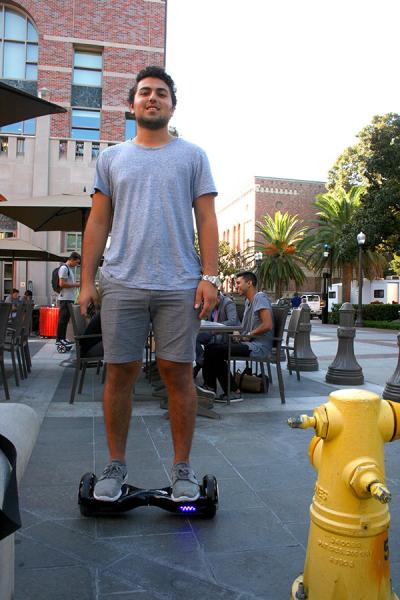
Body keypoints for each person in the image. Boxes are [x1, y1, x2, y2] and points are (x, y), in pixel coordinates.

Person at [79, 66, 219, 503]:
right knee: (119, 372)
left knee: (178, 374)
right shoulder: (112, 157)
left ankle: (182, 471)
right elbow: (98, 220)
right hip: (121, 281)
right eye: (144, 93)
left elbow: (207, 219)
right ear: (132, 104)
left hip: (179, 282)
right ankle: (115, 466)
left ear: (172, 104)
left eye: (161, 93)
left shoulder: (193, 155)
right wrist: (86, 281)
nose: (152, 98)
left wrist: (209, 277)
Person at [201, 271, 274, 402]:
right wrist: (238, 333)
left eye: (239, 283)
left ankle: (233, 391)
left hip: (258, 347)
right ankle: (209, 388)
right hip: (248, 343)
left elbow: (267, 325)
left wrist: (248, 336)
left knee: (216, 351)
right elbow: (246, 328)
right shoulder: (248, 301)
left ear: (249, 283)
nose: (236, 286)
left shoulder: (260, 298)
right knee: (211, 347)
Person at [194, 290, 240, 377]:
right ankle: (201, 361)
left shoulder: (228, 303)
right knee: (193, 337)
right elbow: (208, 320)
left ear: (218, 298)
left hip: (226, 334)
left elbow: (232, 321)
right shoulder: (211, 305)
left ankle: (201, 365)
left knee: (214, 341)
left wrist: (217, 325)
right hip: (212, 332)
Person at [55, 252, 81, 348]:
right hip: (65, 298)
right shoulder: (64, 268)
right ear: (72, 259)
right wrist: (77, 285)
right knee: (62, 319)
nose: (77, 265)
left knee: (65, 320)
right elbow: (62, 284)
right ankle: (59, 339)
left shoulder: (69, 269)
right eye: (76, 262)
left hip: (69, 298)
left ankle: (63, 338)